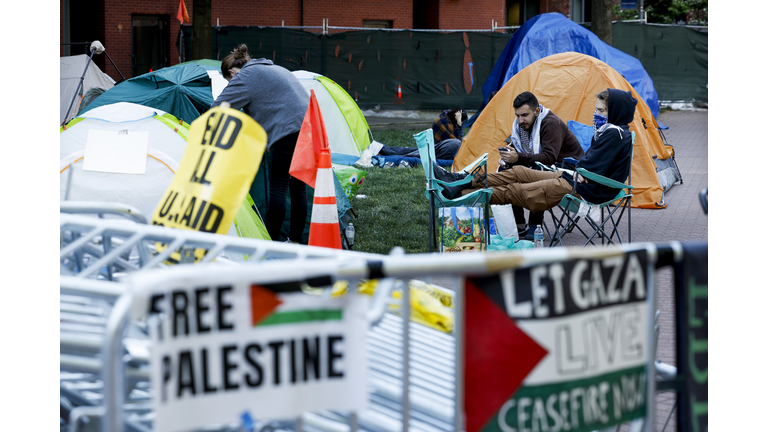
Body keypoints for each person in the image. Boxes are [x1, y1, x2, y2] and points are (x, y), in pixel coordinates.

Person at [433, 89, 636, 223]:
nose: (596, 114)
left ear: (615, 112)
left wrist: (583, 172)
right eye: (597, 109)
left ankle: (461, 195)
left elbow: (592, 168)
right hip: (575, 178)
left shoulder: (615, 134)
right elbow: (590, 163)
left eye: (601, 110)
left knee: (516, 190)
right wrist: (581, 171)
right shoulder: (609, 131)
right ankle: (459, 180)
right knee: (518, 172)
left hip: (588, 188)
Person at [211, 44, 309, 243]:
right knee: (298, 187)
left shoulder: (244, 77)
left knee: (278, 187)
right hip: (309, 127)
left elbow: (217, 109)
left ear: (231, 73)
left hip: (288, 130)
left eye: (228, 82)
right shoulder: (270, 68)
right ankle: (297, 241)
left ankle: (271, 244)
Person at [498, 91, 584, 240]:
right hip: (552, 168)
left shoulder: (550, 123)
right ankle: (519, 225)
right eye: (517, 115)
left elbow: (549, 158)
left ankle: (535, 225)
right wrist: (508, 158)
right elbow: (520, 148)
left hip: (572, 172)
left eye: (524, 115)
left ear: (537, 111)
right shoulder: (521, 126)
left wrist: (518, 157)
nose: (520, 120)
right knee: (507, 171)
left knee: (538, 171)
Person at [356, 108, 467, 167]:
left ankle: (379, 149)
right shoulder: (443, 121)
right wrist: (460, 127)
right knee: (406, 154)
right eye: (460, 120)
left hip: (437, 148)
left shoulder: (450, 122)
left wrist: (458, 125)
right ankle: (376, 153)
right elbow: (457, 143)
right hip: (435, 148)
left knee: (407, 151)